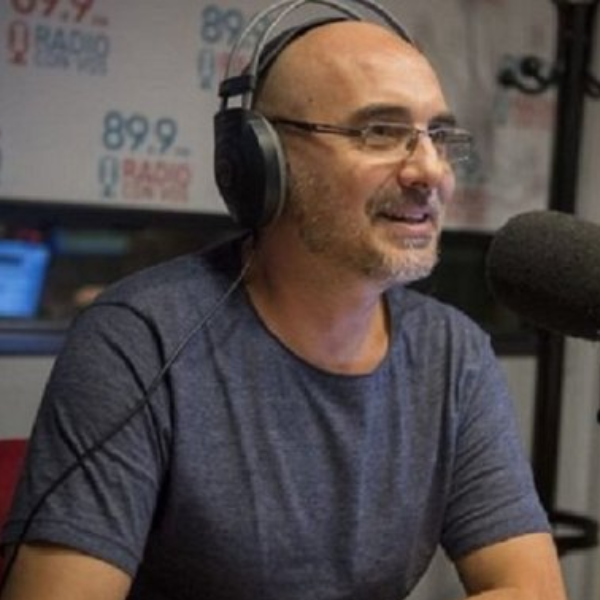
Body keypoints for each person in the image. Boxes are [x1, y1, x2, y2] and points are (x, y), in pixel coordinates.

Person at [0, 5, 568, 600]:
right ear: (261, 160)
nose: (431, 171)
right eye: (379, 132)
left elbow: (530, 591)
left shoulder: (453, 353)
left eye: (440, 137)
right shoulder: (138, 341)